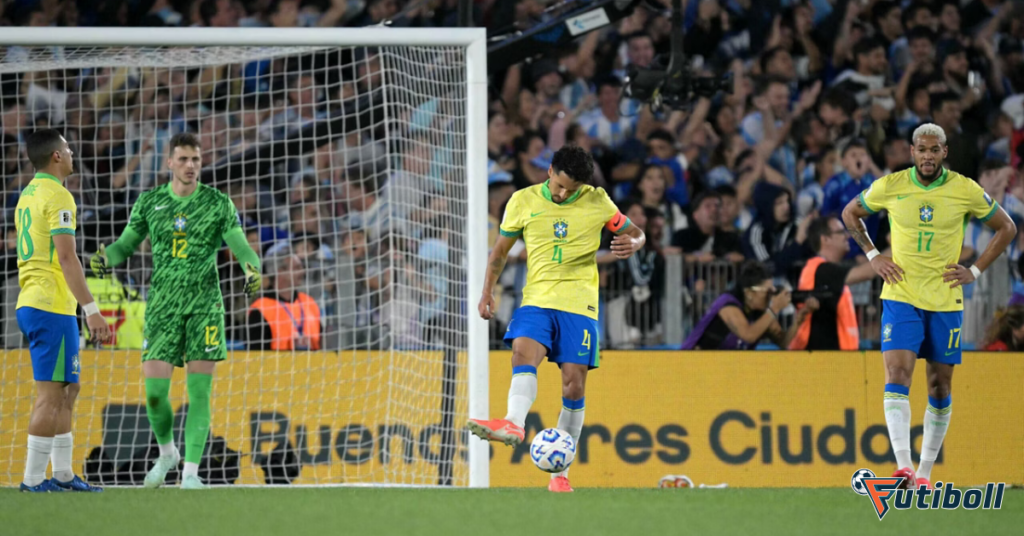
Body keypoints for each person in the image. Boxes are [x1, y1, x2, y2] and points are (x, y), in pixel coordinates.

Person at [842, 123, 1016, 491]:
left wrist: (975, 270)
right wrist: (873, 256)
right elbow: (850, 213)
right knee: (898, 373)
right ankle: (903, 468)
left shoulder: (964, 189)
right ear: (912, 151)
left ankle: (925, 475)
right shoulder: (891, 186)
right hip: (901, 295)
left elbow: (1007, 228)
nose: (927, 156)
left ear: (944, 153)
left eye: (934, 150)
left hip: (945, 299)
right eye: (921, 149)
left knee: (939, 386)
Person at [467, 145, 646, 493]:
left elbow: (637, 231)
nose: (564, 193)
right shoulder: (522, 201)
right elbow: (500, 252)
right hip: (537, 299)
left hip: (580, 304)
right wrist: (487, 291)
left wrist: (634, 242)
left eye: (572, 189)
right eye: (561, 185)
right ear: (549, 171)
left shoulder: (598, 201)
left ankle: (559, 475)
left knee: (573, 385)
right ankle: (514, 424)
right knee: (522, 351)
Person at [88, 132, 262, 489]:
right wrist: (106, 259)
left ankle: (191, 474)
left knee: (199, 392)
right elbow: (125, 245)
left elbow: (242, 248)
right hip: (163, 307)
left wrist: (252, 269)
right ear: (169, 163)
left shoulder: (218, 203)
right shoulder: (151, 202)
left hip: (204, 306)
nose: (190, 165)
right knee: (154, 394)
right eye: (183, 159)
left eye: (195, 159)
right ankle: (167, 452)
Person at [16, 129, 112, 492]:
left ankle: (64, 475)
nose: (72, 154)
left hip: (41, 302)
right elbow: (67, 257)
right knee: (51, 395)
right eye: (68, 149)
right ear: (56, 156)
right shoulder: (59, 196)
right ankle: (30, 481)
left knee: (69, 390)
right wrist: (92, 310)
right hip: (50, 306)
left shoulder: (28, 195)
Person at [682, 261, 818, 350]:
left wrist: (799, 320)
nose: (771, 295)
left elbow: (783, 342)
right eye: (767, 291)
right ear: (749, 293)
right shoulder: (727, 305)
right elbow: (748, 335)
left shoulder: (762, 313)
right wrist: (774, 308)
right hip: (692, 365)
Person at [788, 217, 879, 351]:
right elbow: (867, 273)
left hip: (830, 358)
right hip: (819, 360)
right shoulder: (822, 270)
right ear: (825, 239)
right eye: (841, 232)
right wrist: (899, 249)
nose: (847, 236)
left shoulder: (822, 269)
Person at [247, 250, 321, 351]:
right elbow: (256, 357)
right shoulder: (260, 309)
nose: (302, 271)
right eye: (297, 268)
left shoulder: (310, 302)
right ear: (280, 271)